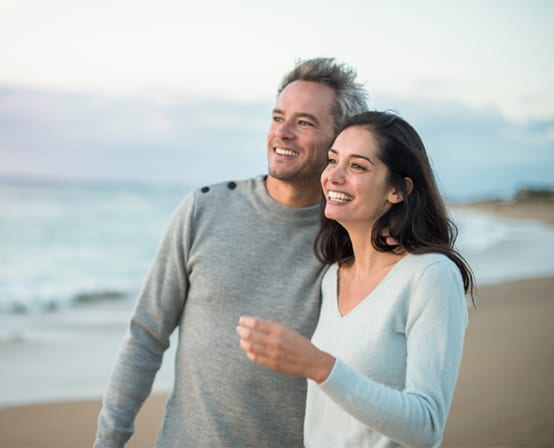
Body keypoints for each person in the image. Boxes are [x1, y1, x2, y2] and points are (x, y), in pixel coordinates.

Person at [94, 58, 368, 447]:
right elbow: (146, 335)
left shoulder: (350, 241)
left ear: (339, 141)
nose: (283, 133)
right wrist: (108, 440)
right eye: (278, 118)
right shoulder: (203, 208)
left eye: (305, 123)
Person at [237, 111, 475, 447]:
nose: (333, 175)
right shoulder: (332, 275)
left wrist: (320, 366)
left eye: (357, 166)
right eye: (332, 160)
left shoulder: (430, 275)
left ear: (396, 190)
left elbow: (427, 426)